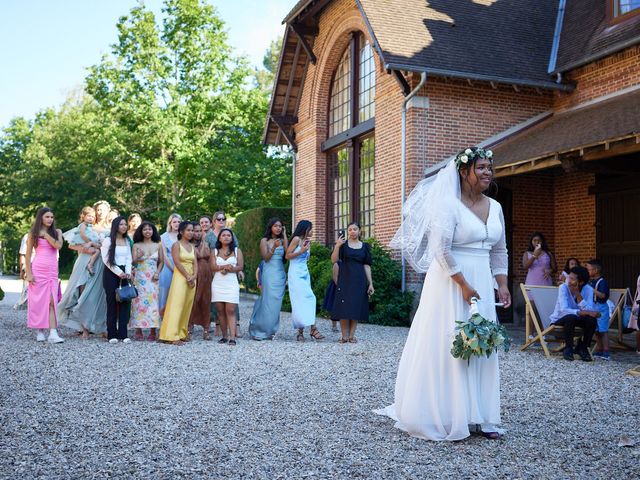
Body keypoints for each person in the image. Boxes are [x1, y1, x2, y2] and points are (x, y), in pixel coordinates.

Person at [375, 147, 511, 441]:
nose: (488, 172)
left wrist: (501, 282)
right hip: (451, 280)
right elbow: (441, 249)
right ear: (464, 172)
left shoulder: (496, 207)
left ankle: (483, 416)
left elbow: (499, 250)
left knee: (482, 342)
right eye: (482, 167)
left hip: (483, 281)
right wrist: (462, 283)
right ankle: (449, 413)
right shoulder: (448, 205)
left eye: (490, 167)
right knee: (453, 341)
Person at [59, 202, 109, 338]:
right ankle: (83, 327)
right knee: (83, 292)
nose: (100, 212)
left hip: (103, 263)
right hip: (86, 259)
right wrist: (84, 248)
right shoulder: (87, 227)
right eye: (98, 210)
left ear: (108, 211)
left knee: (100, 295)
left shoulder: (111, 227)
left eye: (103, 210)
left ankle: (100, 326)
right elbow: (72, 245)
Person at [24, 207, 65, 343]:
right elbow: (28, 254)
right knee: (39, 300)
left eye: (51, 217)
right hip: (38, 269)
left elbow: (58, 246)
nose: (50, 219)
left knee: (52, 301)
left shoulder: (57, 232)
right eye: (47, 217)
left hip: (52, 271)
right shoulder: (33, 234)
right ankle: (40, 330)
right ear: (41, 218)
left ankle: (53, 332)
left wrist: (46, 235)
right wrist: (29, 273)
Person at [331, 222, 374, 343]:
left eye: (355, 229)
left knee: (356, 306)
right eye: (349, 229)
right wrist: (337, 246)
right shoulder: (343, 246)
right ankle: (344, 336)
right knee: (344, 306)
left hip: (359, 279)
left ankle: (351, 336)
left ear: (359, 231)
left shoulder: (365, 246)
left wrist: (370, 283)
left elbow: (367, 265)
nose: (352, 231)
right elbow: (334, 260)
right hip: (345, 278)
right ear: (347, 232)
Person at [549, 265, 600, 361]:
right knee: (571, 317)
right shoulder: (563, 287)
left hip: (577, 321)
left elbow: (590, 309)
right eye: (569, 277)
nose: (568, 280)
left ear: (581, 282)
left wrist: (577, 294)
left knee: (592, 320)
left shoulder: (588, 289)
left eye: (572, 279)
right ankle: (568, 348)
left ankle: (583, 348)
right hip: (560, 320)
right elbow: (564, 309)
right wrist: (582, 312)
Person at [249, 218, 288, 340]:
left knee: (276, 304)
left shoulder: (282, 240)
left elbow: (287, 254)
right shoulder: (264, 240)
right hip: (269, 273)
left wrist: (285, 236)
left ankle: (271, 330)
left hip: (280, 273)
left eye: (280, 226)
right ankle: (260, 329)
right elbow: (265, 258)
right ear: (270, 227)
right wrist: (273, 248)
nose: (278, 228)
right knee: (267, 301)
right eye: (276, 226)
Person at [285, 220, 324, 341]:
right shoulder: (296, 239)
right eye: (311, 229)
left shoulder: (308, 242)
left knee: (307, 299)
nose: (312, 231)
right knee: (304, 299)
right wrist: (301, 251)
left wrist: (304, 252)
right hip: (295, 273)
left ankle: (304, 331)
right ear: (305, 229)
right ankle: (310, 329)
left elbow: (305, 259)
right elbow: (287, 256)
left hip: (304, 272)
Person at [159, 221, 197, 345]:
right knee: (177, 304)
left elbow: (195, 263)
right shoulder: (176, 245)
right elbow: (177, 262)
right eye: (188, 230)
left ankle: (182, 332)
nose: (191, 232)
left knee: (187, 305)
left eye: (192, 230)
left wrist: (194, 276)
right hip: (181, 277)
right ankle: (171, 335)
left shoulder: (192, 246)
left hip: (192, 277)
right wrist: (187, 276)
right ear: (181, 232)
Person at [101, 216, 133, 344]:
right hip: (111, 273)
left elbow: (129, 258)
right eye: (121, 224)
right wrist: (119, 273)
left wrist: (128, 272)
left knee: (124, 303)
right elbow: (107, 260)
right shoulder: (108, 240)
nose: (124, 226)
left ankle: (123, 334)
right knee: (112, 303)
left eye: (125, 224)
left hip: (125, 273)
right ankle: (112, 334)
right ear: (116, 226)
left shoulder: (126, 240)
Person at [130, 221, 164, 341]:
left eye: (150, 229)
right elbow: (132, 262)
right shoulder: (136, 245)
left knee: (153, 303)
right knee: (138, 302)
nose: (148, 231)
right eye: (145, 229)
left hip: (153, 278)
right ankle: (138, 329)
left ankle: (153, 330)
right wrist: (138, 257)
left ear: (153, 231)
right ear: (141, 231)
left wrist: (157, 273)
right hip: (140, 277)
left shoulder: (158, 245)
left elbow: (161, 262)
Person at [212, 228, 244, 346]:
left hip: (231, 283)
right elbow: (212, 267)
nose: (226, 237)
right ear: (219, 238)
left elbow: (240, 266)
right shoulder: (214, 251)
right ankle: (224, 336)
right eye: (223, 235)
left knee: (231, 310)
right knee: (220, 310)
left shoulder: (237, 251)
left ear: (232, 238)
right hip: (218, 283)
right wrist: (225, 267)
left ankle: (232, 337)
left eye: (228, 235)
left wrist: (231, 269)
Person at [188, 222, 214, 340]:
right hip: (193, 273)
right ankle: (189, 325)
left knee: (205, 300)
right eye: (195, 231)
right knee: (192, 299)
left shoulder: (205, 243)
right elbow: (198, 254)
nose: (197, 233)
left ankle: (206, 329)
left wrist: (203, 241)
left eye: (200, 231)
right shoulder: (188, 244)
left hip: (206, 274)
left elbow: (206, 254)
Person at [62, 206, 101, 276]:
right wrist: (90, 243)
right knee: (96, 251)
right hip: (83, 243)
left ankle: (90, 264)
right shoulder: (83, 225)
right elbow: (82, 235)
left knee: (97, 251)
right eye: (89, 216)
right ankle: (90, 264)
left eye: (92, 216)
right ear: (83, 216)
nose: (91, 218)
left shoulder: (90, 226)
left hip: (86, 244)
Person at [585, 259, 611, 360]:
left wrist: (591, 290)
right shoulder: (591, 281)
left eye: (589, 270)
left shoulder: (602, 282)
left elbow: (603, 295)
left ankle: (606, 351)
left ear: (595, 270)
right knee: (596, 330)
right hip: (593, 307)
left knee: (603, 330)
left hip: (601, 307)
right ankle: (599, 349)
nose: (588, 272)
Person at [158, 213, 182, 316]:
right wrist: (173, 269)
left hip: (182, 266)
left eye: (179, 222)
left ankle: (176, 319)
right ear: (170, 223)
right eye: (174, 222)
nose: (176, 224)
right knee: (165, 292)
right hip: (167, 267)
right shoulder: (163, 237)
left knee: (179, 294)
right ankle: (163, 319)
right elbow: (164, 256)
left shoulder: (184, 236)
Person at [14, 233, 30, 310]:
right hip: (29, 264)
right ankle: (22, 304)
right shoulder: (27, 236)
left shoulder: (51, 235)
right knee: (27, 289)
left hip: (44, 266)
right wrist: (22, 270)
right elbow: (23, 254)